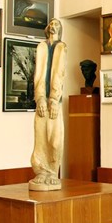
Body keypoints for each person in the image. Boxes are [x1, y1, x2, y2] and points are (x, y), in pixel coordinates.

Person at [29, 19, 67, 191]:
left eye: (56, 24)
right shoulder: (42, 47)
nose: (53, 26)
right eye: (51, 24)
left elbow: (59, 73)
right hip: (41, 100)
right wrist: (40, 98)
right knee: (40, 138)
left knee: (55, 139)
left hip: (54, 102)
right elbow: (38, 74)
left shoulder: (61, 47)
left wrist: (54, 99)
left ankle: (52, 172)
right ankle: (41, 171)